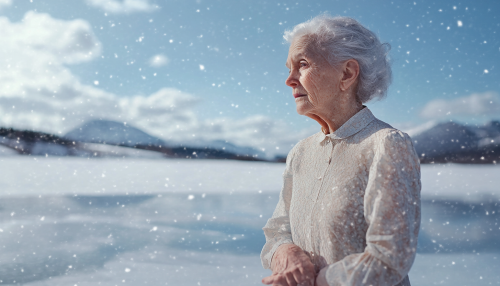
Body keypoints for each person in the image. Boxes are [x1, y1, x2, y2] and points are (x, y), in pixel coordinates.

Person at [260, 14, 421, 286]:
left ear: (347, 74)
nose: (289, 79)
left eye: (302, 65)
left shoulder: (386, 145)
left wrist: (316, 280)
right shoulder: (301, 152)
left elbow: (389, 259)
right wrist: (287, 254)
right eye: (289, 68)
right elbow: (278, 230)